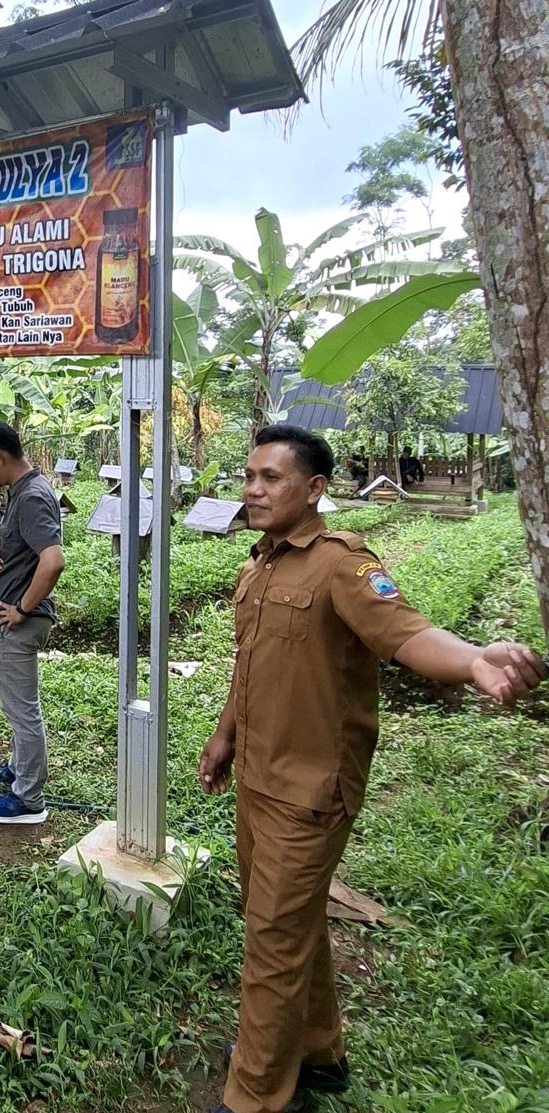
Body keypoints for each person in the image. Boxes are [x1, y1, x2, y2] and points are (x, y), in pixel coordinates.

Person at [200, 424, 546, 1113]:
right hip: (258, 779)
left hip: (310, 792)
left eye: (271, 477)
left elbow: (408, 633)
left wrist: (474, 659)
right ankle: (319, 1053)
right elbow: (250, 664)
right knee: (285, 923)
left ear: (314, 488)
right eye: (249, 476)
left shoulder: (343, 566)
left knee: (271, 942)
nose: (253, 489)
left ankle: (257, 1096)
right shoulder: (259, 565)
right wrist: (223, 736)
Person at [0, 421, 66, 825]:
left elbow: (53, 561)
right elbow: (27, 545)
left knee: (24, 713)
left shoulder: (32, 496)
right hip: (13, 621)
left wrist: (22, 609)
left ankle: (28, 799)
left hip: (16, 625)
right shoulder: (24, 490)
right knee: (18, 708)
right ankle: (17, 767)